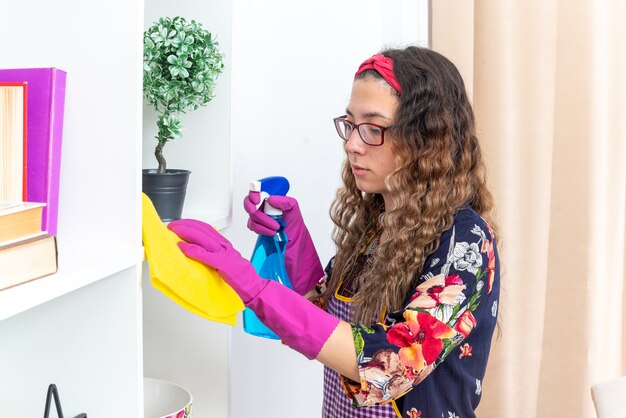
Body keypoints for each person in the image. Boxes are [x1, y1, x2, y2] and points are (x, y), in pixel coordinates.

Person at [168, 46, 500, 418]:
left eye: (373, 128)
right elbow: (325, 312)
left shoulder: (465, 240)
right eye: (350, 124)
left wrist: (256, 288)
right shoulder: (380, 224)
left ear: (427, 138)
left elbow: (389, 366)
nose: (352, 144)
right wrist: (290, 237)